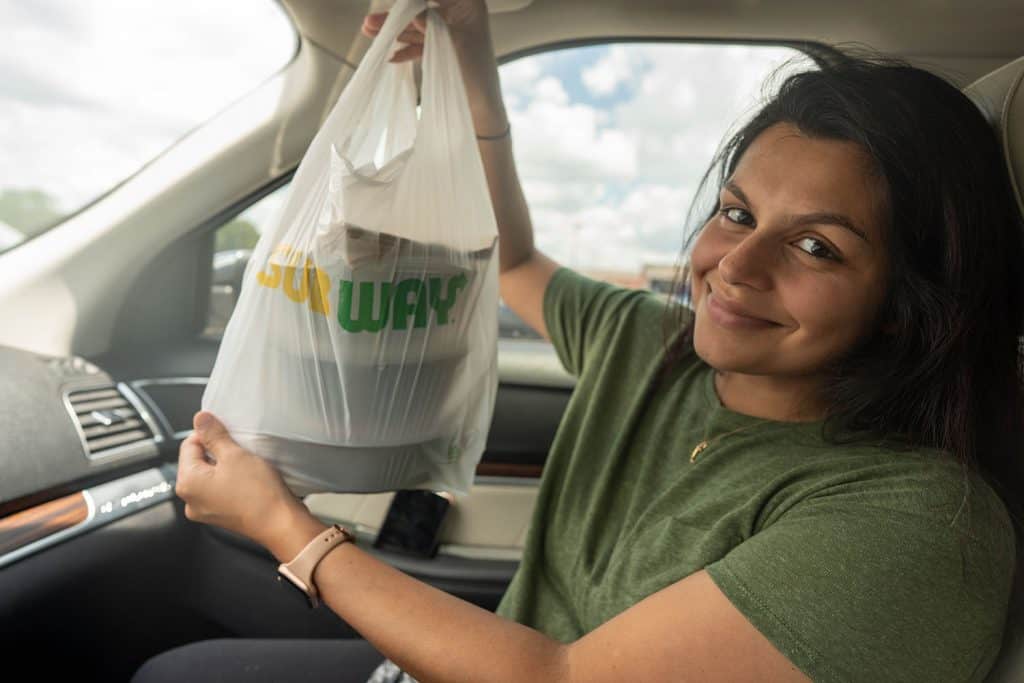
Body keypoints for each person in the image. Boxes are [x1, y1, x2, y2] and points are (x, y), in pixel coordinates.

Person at [133, 0, 1024, 681]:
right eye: (736, 213)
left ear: (914, 302)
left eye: (816, 245)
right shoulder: (653, 343)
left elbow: (557, 676)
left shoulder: (916, 525)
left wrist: (283, 526)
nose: (734, 266)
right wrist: (470, 59)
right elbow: (511, 258)